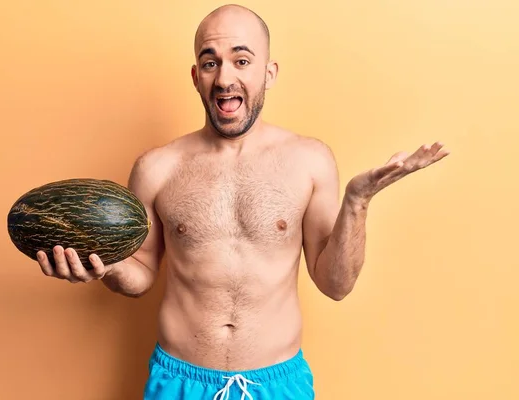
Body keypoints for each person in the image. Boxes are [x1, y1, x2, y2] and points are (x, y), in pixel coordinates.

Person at [36, 4, 450, 399]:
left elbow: (335, 285)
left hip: (277, 383)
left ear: (269, 73)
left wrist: (358, 201)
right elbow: (141, 275)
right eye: (211, 62)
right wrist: (105, 266)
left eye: (242, 60)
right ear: (196, 76)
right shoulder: (155, 168)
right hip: (179, 380)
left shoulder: (309, 161)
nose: (225, 78)